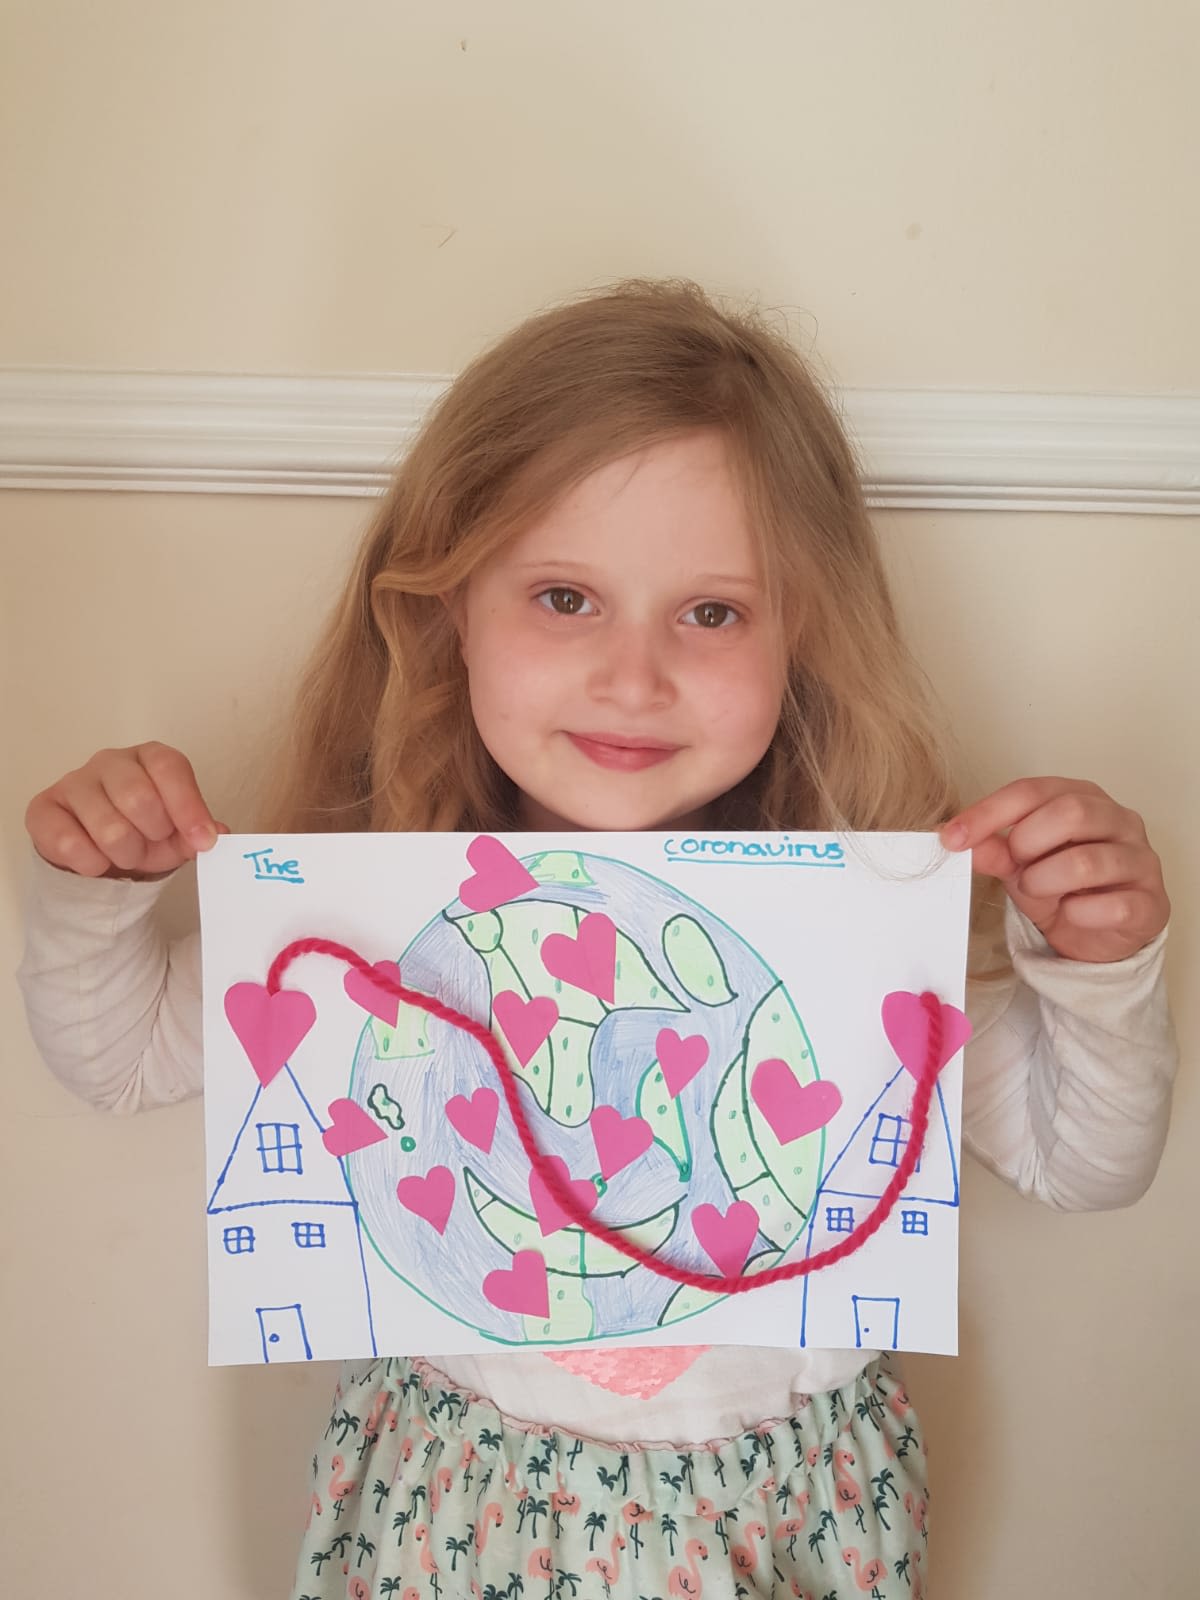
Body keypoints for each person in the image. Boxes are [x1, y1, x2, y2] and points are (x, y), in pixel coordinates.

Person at [18, 279, 1176, 1599]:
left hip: (781, 1522)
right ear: (450, 606)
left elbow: (1085, 1165)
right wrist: (96, 887)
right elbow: (120, 1055)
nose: (635, 678)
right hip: (463, 1515)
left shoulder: (859, 929)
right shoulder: (367, 919)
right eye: (565, 597)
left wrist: (1098, 969)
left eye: (713, 612)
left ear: (802, 633)